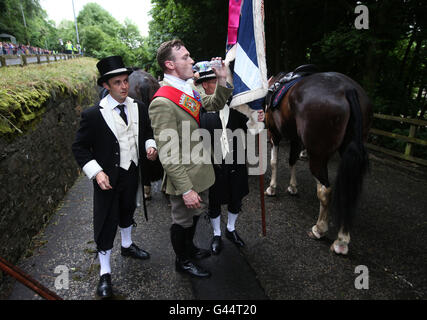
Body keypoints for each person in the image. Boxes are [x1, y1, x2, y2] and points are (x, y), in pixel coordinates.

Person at [72, 55, 158, 299]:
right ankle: (105, 272)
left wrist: (150, 146)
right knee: (106, 221)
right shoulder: (93, 115)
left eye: (125, 81)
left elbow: (146, 133)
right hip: (107, 178)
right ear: (106, 86)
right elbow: (78, 148)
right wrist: (96, 172)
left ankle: (128, 245)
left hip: (131, 171)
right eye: (117, 83)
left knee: (128, 209)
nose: (123, 87)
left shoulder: (138, 107)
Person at [149, 39, 233, 278]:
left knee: (195, 216)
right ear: (170, 65)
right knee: (182, 221)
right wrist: (185, 189)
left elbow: (214, 103)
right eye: (185, 57)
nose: (191, 60)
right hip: (183, 175)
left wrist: (222, 78)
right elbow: (167, 152)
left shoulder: (188, 88)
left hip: (200, 170)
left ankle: (191, 249)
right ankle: (182, 261)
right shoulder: (162, 102)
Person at [194, 62, 265, 254]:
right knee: (215, 199)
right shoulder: (198, 107)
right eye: (206, 82)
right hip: (213, 161)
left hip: (237, 157)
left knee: (236, 196)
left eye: (213, 80)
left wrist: (257, 117)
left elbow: (252, 126)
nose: (209, 85)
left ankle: (231, 229)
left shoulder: (237, 104)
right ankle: (216, 233)